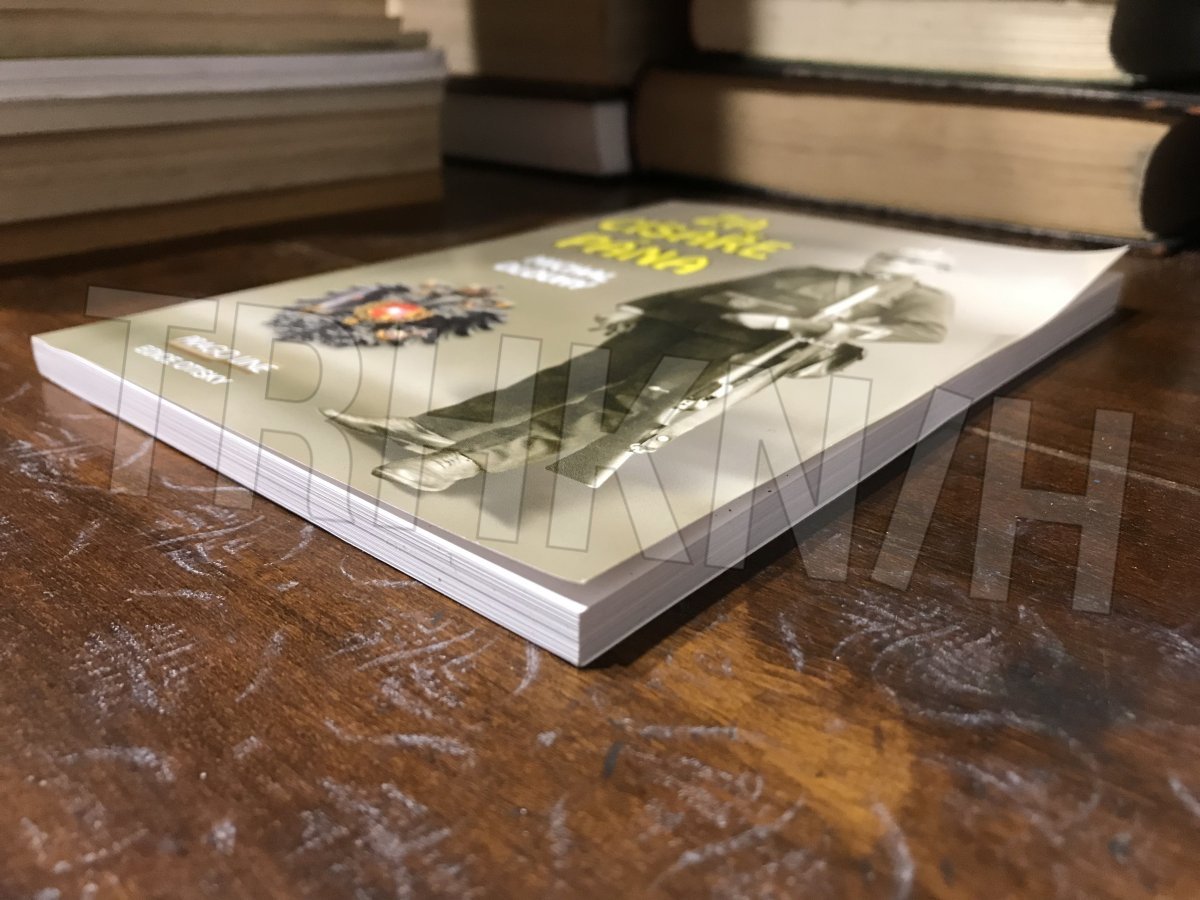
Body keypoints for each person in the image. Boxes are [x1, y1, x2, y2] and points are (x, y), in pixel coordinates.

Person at [325, 251, 954, 492]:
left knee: (612, 410)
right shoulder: (821, 270)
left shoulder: (917, 299)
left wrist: (814, 327)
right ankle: (426, 429)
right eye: (890, 256)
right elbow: (718, 288)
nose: (891, 262)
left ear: (926, 272)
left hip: (738, 350)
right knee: (562, 381)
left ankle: (460, 463)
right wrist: (642, 304)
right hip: (681, 321)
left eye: (908, 261)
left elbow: (923, 333)